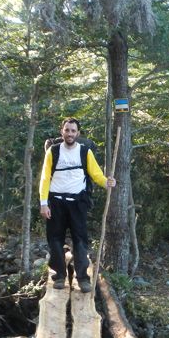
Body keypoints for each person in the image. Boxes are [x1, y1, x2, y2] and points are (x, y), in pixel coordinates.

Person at [39, 117, 116, 292]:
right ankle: (59, 275)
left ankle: (82, 278)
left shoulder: (84, 151)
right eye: (67, 130)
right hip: (56, 202)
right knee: (55, 240)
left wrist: (106, 182)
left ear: (78, 133)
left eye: (73, 131)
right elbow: (45, 178)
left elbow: (96, 174)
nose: (70, 134)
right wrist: (44, 203)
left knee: (80, 240)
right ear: (62, 132)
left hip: (78, 203)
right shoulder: (53, 151)